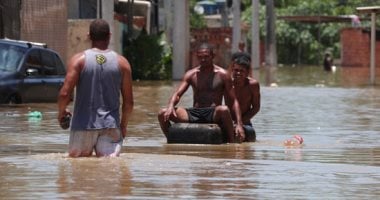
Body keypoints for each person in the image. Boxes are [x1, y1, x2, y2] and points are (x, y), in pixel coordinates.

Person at [57, 19, 134, 157]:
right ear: (109, 35)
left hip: (82, 126)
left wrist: (61, 113)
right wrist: (123, 126)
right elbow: (129, 103)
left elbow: (64, 94)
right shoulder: (122, 63)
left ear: (88, 36)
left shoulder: (78, 60)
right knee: (108, 170)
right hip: (110, 127)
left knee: (79, 169)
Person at [157, 43, 245, 143]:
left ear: (213, 56)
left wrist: (239, 124)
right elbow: (177, 93)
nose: (203, 59)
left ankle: (232, 142)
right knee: (162, 113)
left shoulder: (223, 74)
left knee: (224, 109)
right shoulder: (191, 74)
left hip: (213, 113)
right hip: (195, 112)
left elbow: (234, 101)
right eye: (200, 57)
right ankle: (171, 139)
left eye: (206, 56)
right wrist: (170, 106)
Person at [230, 52, 260, 142]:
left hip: (245, 121)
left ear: (247, 72)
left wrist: (240, 123)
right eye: (236, 70)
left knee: (250, 135)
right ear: (232, 70)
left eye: (241, 71)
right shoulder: (227, 83)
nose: (238, 73)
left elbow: (256, 107)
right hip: (227, 120)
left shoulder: (253, 85)